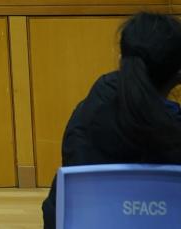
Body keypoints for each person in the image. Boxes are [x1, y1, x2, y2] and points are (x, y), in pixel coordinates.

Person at [40, 12, 181, 228]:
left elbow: (58, 211)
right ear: (177, 75)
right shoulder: (174, 130)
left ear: (121, 60)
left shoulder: (84, 117)